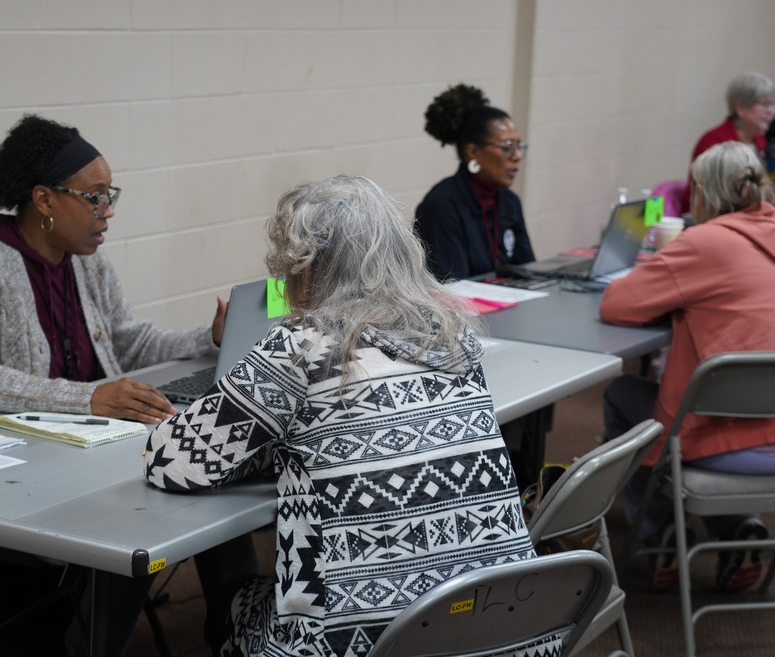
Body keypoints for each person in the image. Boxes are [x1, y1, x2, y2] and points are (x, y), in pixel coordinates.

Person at [145, 175, 538, 657]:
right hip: (499, 628)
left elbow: (172, 463)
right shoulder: (454, 339)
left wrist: (259, 444)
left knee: (230, 595)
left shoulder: (302, 348)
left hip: (357, 646)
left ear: (307, 270)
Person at [0, 114, 255, 656]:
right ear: (45, 199)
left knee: (209, 485)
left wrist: (211, 338)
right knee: (139, 523)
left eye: (110, 195)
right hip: (21, 471)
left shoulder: (87, 263)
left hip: (90, 450)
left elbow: (128, 341)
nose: (109, 212)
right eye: (96, 197)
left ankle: (240, 638)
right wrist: (87, 398)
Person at [599, 142, 775, 594]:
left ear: (702, 194)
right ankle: (739, 523)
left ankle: (657, 534)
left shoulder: (706, 242)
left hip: (742, 445)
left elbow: (618, 303)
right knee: (716, 410)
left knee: (624, 396)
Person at [415, 83, 535, 280]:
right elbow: (450, 288)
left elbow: (528, 270)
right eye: (508, 147)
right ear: (473, 152)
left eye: (519, 146)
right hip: (462, 310)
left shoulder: (509, 202)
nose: (517, 156)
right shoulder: (441, 205)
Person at [684, 72, 775, 209]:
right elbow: (710, 195)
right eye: (764, 104)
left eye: (772, 104)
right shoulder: (714, 142)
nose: (771, 111)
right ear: (741, 108)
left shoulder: (761, 141)